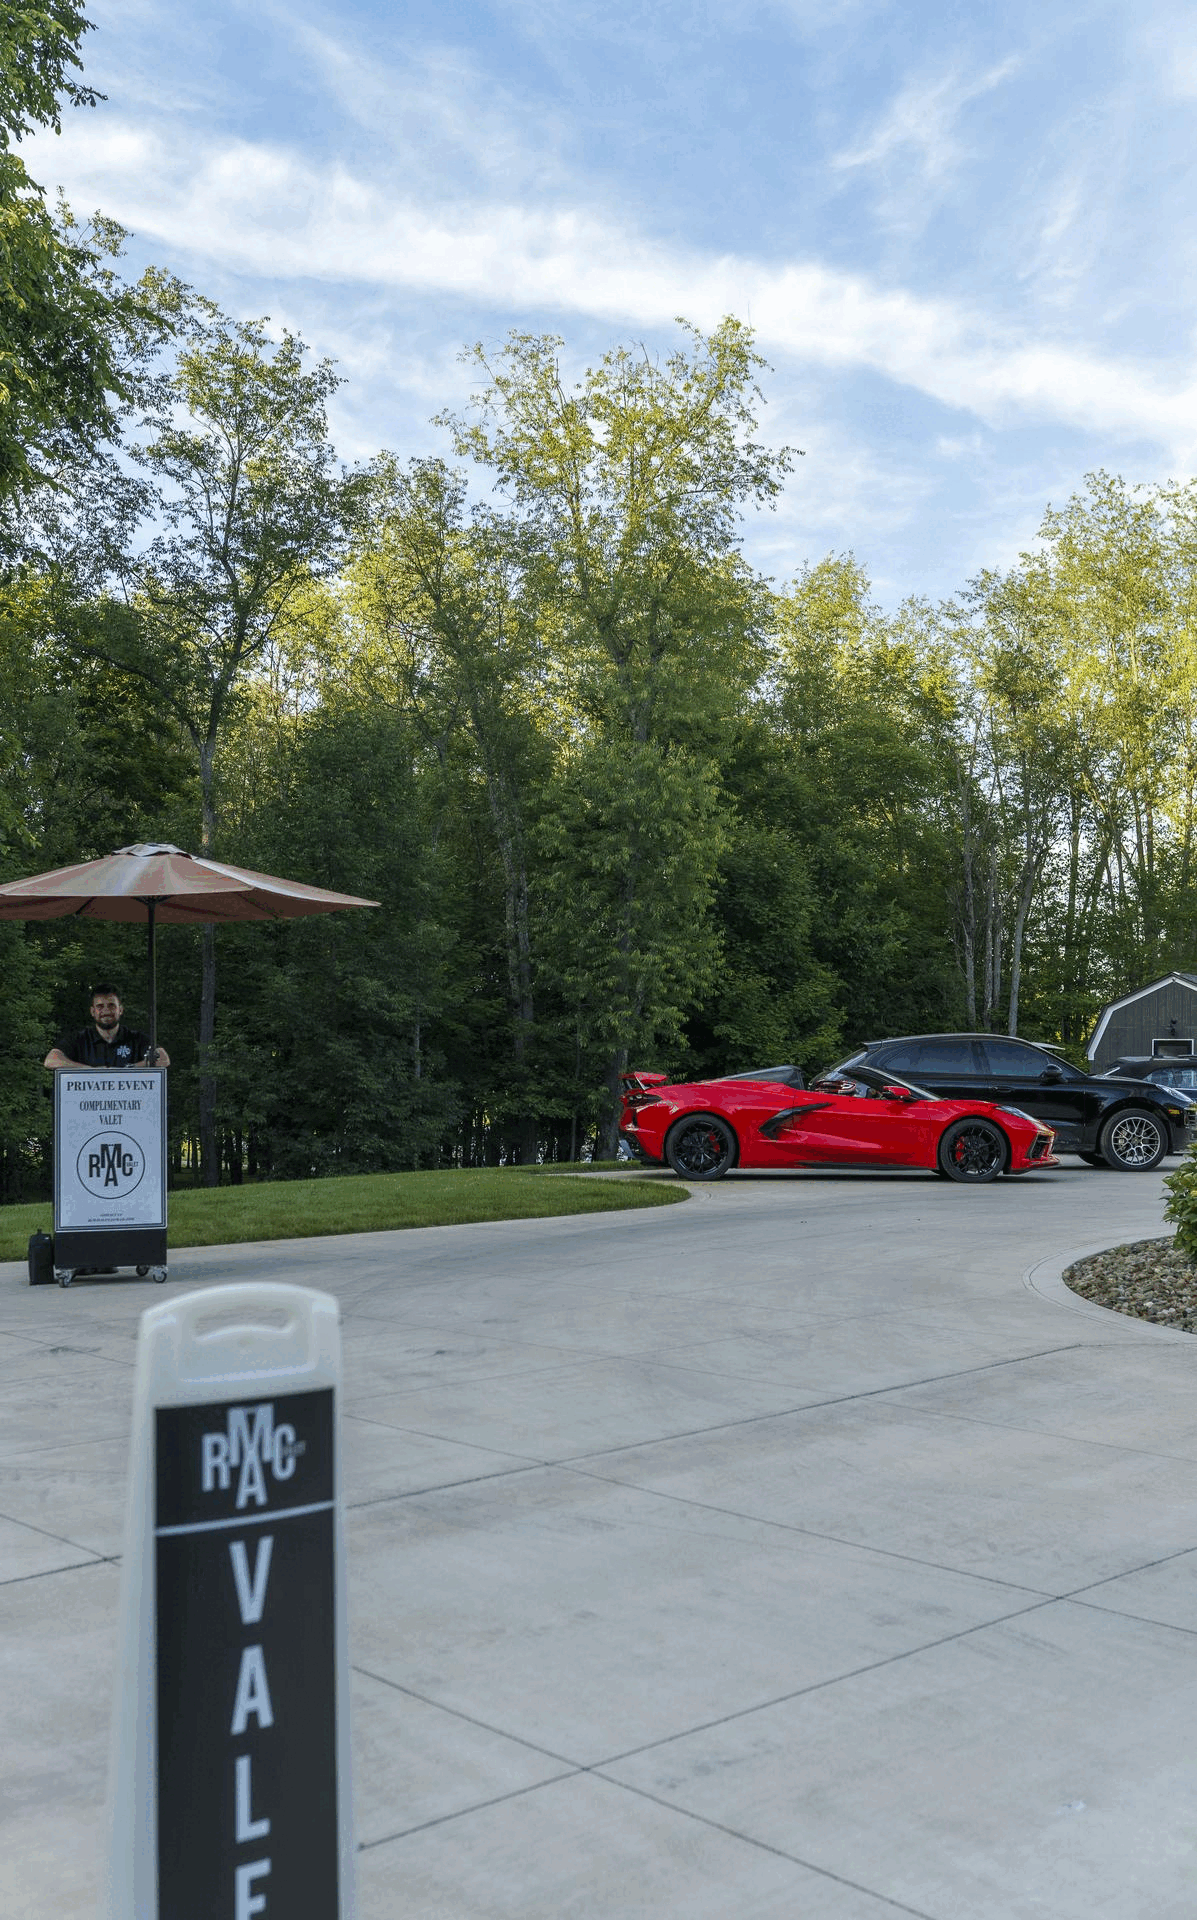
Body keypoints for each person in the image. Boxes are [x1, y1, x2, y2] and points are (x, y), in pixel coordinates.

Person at [43, 984, 170, 1072]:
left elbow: (164, 1059)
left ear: (120, 1009)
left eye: (111, 1006)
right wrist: (88, 1070)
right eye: (100, 1006)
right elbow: (51, 1060)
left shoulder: (136, 1038)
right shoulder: (80, 1039)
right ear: (92, 1011)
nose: (106, 1011)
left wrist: (129, 1069)